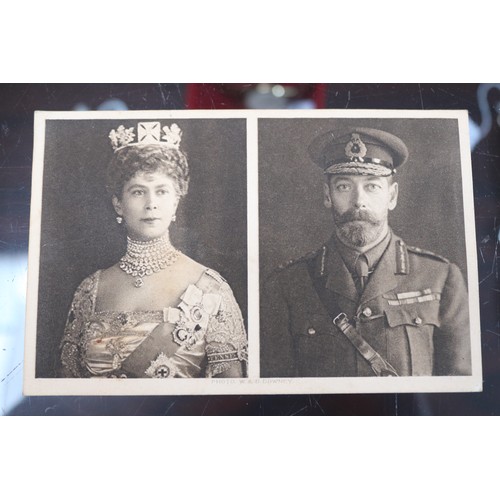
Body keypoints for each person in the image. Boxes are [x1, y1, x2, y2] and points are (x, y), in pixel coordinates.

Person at [261, 127, 471, 378]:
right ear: (327, 195)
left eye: (372, 186)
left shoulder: (440, 278)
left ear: (392, 196)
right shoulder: (286, 286)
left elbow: (459, 390)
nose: (358, 201)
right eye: (343, 187)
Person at [60, 121, 247, 378]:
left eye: (161, 191)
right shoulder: (90, 290)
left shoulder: (210, 289)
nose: (151, 204)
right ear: (118, 204)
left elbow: (231, 397)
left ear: (175, 202)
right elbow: (64, 386)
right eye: (138, 192)